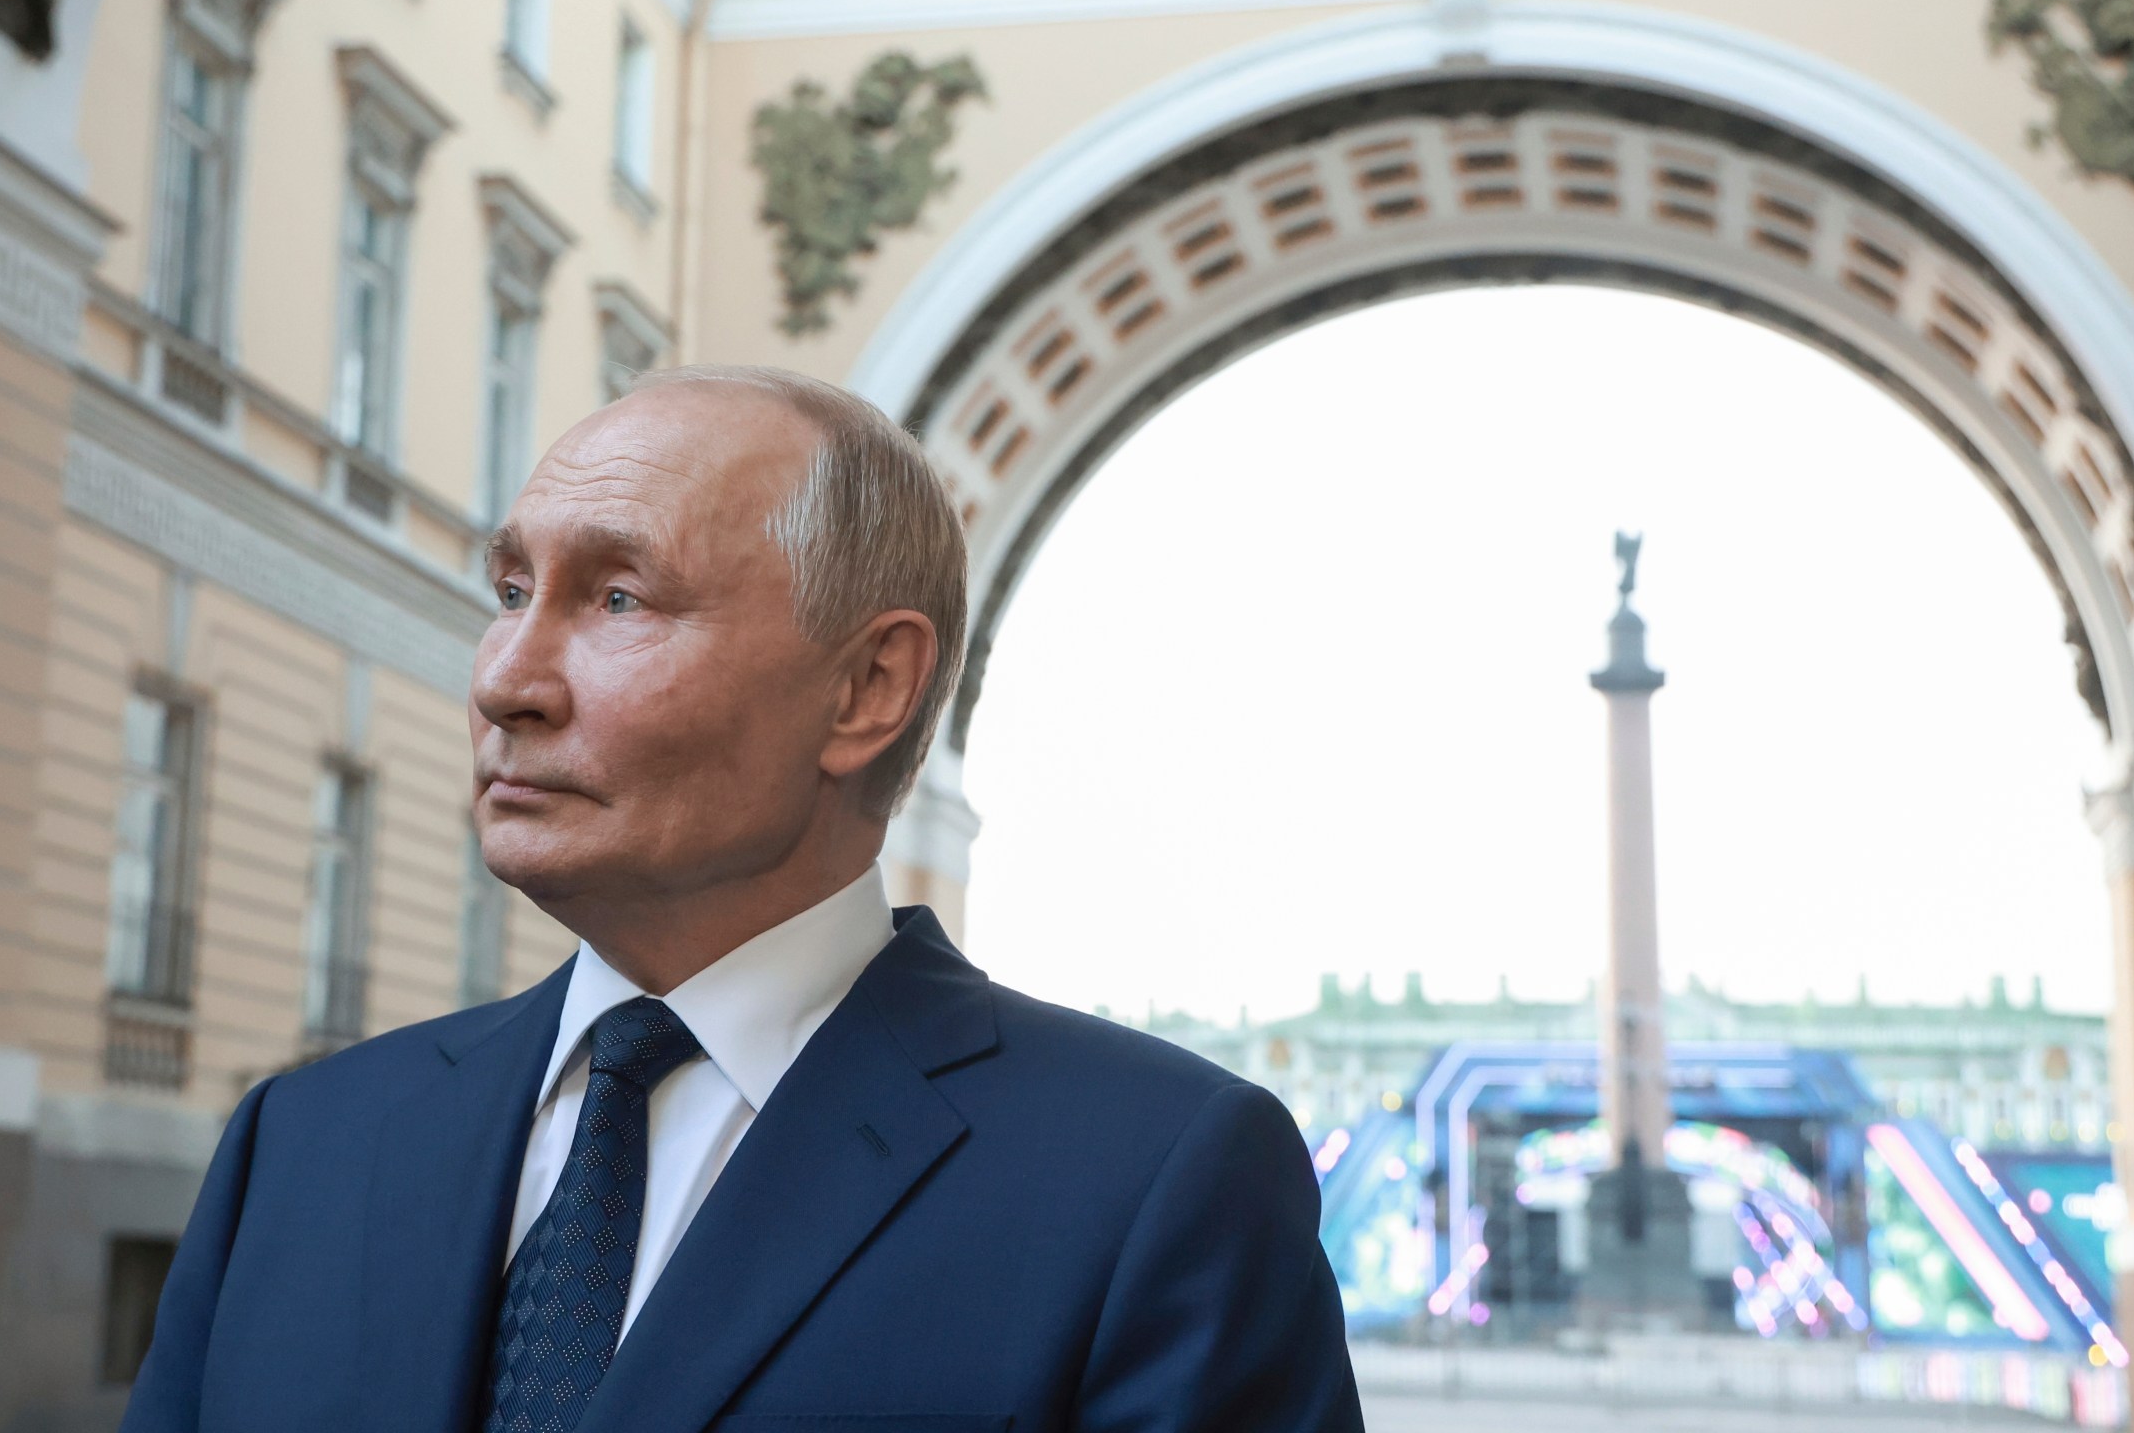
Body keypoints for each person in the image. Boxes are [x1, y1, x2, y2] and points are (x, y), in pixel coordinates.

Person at [120, 366, 1362, 1433]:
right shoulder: (302, 1145)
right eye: (510, 593)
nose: (505, 679)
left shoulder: (1155, 1182)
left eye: (617, 600)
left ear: (868, 686)